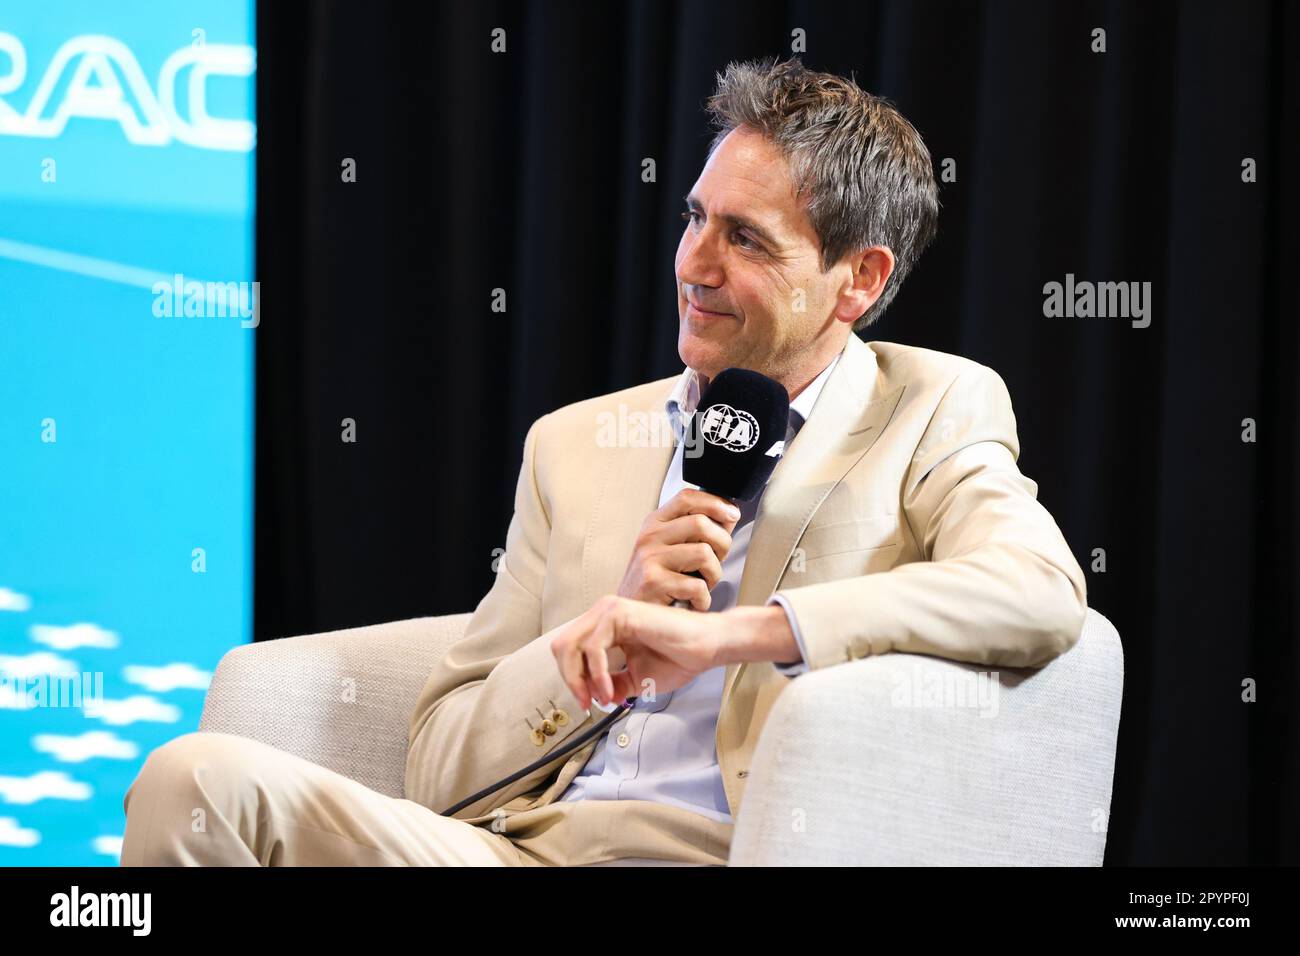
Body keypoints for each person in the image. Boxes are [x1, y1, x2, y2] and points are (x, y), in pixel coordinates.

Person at [121, 56, 1086, 867]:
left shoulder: (928, 407)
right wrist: (586, 642)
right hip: (521, 848)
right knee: (193, 778)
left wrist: (742, 634)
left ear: (859, 280)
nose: (693, 265)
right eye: (693, 220)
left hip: (731, 851)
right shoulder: (575, 445)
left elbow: (1038, 594)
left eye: (744, 238)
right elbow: (441, 769)